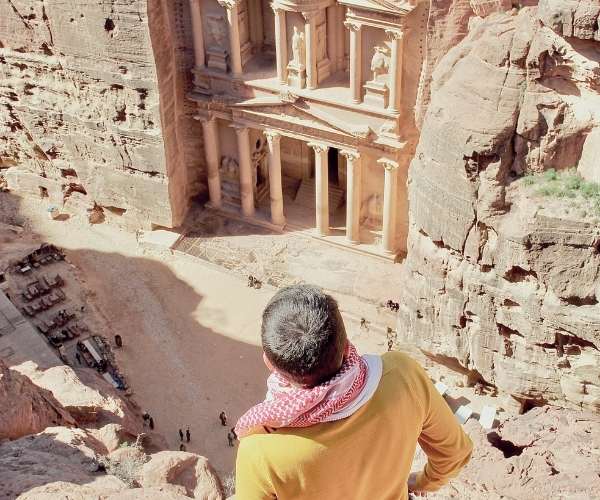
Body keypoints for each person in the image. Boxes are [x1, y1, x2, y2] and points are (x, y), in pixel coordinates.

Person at [234, 285, 472, 499]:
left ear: (270, 364)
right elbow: (455, 453)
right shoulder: (403, 375)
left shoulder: (260, 453)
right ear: (346, 345)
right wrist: (421, 482)